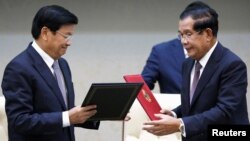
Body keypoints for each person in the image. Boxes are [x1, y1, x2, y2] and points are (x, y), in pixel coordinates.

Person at [142, 1, 249, 141]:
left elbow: (224, 111)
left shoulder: (232, 65)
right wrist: (174, 114)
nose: (183, 41)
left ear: (208, 34)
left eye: (188, 34)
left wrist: (180, 124)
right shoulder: (188, 64)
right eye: (180, 35)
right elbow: (195, 104)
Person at [1, 5, 100, 141]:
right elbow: (20, 121)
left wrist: (104, 113)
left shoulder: (63, 64)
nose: (69, 42)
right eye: (66, 36)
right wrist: (67, 117)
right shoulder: (18, 68)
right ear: (45, 33)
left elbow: (62, 110)